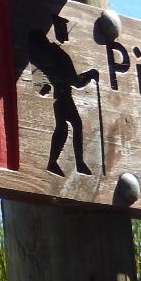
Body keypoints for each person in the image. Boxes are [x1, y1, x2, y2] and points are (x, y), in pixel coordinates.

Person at [28, 18, 98, 176]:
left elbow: (46, 86)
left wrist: (44, 86)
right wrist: (90, 74)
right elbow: (75, 81)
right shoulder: (54, 56)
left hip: (61, 97)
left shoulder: (43, 57)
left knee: (68, 127)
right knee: (68, 127)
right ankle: (63, 163)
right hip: (62, 98)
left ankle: (66, 163)